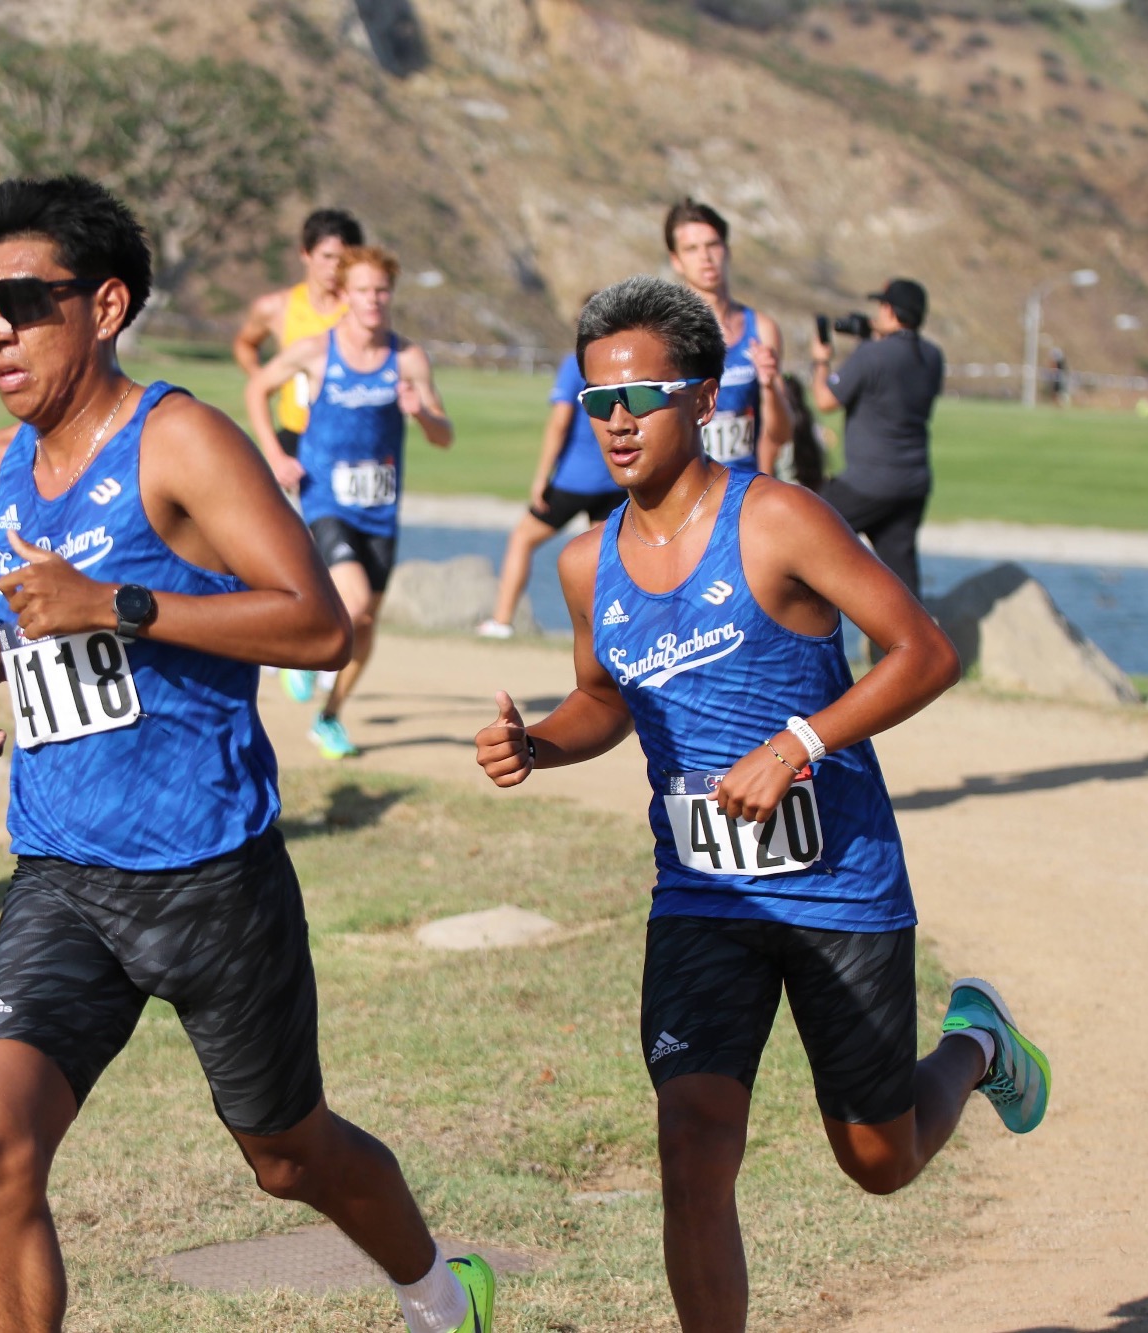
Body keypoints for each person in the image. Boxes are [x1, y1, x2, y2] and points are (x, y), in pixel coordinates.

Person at [0, 174, 495, 1333]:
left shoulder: (178, 439)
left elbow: (314, 620)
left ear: (104, 305)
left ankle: (442, 1294)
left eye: (24, 301)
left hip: (208, 873)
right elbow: (31, 603)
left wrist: (114, 604)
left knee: (287, 1157)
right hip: (61, 873)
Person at [474, 275, 1050, 1332]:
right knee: (690, 1147)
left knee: (875, 1159)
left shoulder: (778, 518)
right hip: (700, 897)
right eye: (597, 398)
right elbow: (603, 701)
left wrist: (797, 742)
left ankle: (976, 1045)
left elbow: (923, 652)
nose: (614, 421)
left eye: (640, 395)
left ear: (701, 398)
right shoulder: (580, 562)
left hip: (837, 887)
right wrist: (536, 744)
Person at [244, 245, 453, 758]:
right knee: (353, 603)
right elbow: (258, 389)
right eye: (363, 290)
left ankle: (330, 715)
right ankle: (301, 652)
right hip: (325, 501)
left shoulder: (408, 358)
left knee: (366, 623)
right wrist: (275, 454)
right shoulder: (317, 351)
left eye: (381, 290)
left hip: (381, 509)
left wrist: (421, 415)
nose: (373, 300)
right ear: (346, 295)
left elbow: (444, 435)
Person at [477, 306, 625, 639]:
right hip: (613, 480)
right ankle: (605, 629)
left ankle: (502, 621)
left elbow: (559, 423)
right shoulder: (622, 363)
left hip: (574, 480)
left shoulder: (577, 363)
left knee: (522, 538)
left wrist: (541, 477)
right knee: (602, 558)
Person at [809, 278, 945, 600]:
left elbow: (826, 401)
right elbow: (897, 364)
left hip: (866, 483)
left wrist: (821, 360)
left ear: (888, 310)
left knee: (807, 528)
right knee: (902, 581)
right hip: (912, 482)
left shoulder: (872, 356)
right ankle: (915, 644)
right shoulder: (933, 356)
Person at [663, 199, 788, 475]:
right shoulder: (668, 334)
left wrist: (769, 387)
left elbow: (781, 434)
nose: (705, 257)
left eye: (712, 245)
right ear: (676, 260)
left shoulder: (762, 329)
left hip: (746, 487)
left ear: (727, 250)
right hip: (689, 491)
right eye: (692, 249)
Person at [232, 207, 365, 459]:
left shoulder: (361, 310)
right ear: (305, 253)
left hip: (349, 437)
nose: (335, 267)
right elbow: (245, 343)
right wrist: (260, 376)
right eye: (327, 256)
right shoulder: (277, 307)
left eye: (345, 259)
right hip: (296, 436)